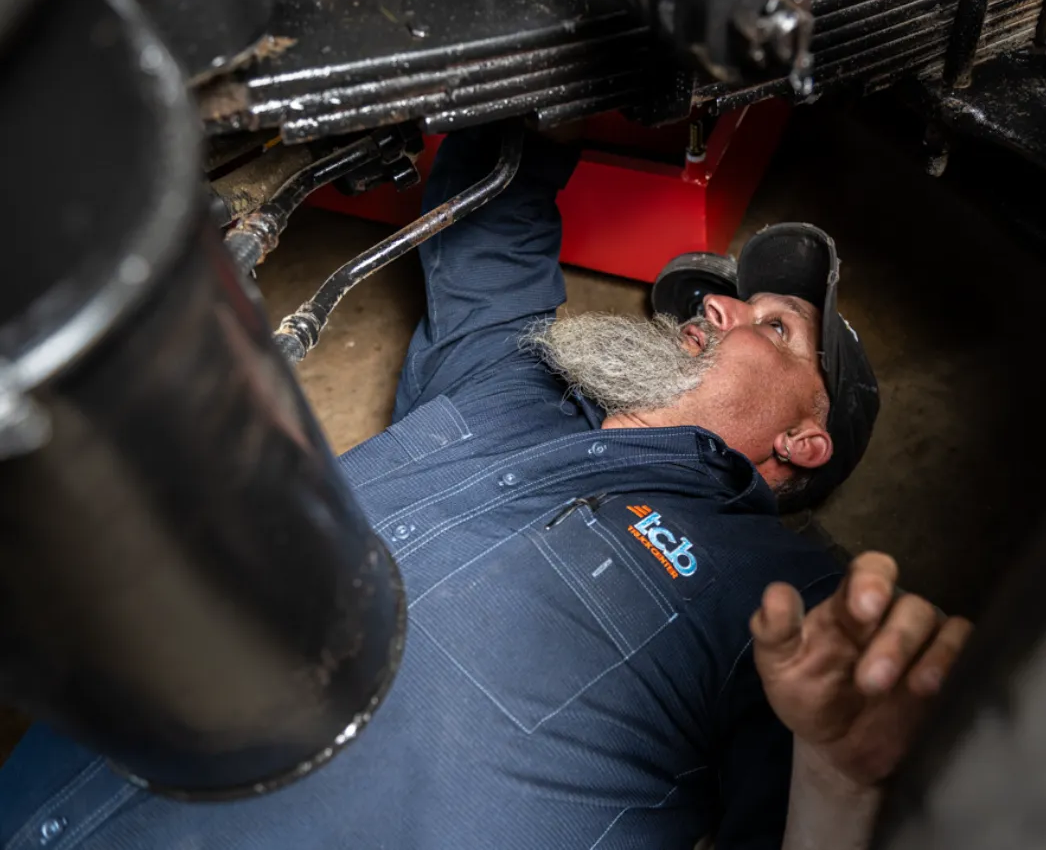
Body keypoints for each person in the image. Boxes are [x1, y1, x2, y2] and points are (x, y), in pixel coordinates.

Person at [0, 125, 970, 849]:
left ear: (804, 438)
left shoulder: (791, 600)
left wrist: (839, 779)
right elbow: (488, 214)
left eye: (771, 325)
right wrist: (565, 55)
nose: (715, 303)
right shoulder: (516, 383)